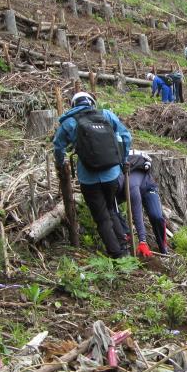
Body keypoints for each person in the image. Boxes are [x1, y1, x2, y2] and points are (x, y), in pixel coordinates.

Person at [53, 92, 131, 258]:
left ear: (73, 105)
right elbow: (126, 136)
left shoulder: (69, 122)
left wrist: (60, 164)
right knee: (111, 208)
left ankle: (117, 254)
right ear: (91, 103)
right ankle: (124, 246)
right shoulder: (106, 115)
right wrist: (123, 160)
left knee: (101, 217)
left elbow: (58, 146)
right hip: (112, 173)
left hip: (88, 177)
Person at [117, 151, 168, 256]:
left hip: (147, 187)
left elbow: (137, 211)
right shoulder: (113, 183)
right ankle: (127, 235)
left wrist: (142, 240)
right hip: (124, 190)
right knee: (112, 209)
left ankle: (163, 248)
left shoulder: (131, 185)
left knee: (156, 216)